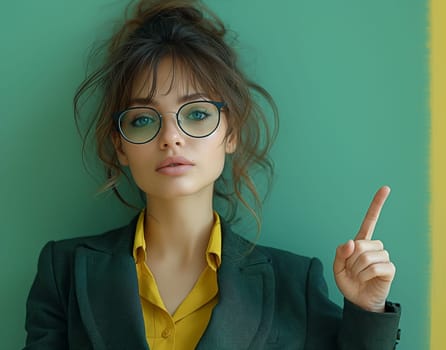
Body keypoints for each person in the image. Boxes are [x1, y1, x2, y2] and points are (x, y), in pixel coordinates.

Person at [23, 0, 401, 349]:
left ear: (231, 132)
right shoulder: (64, 271)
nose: (171, 137)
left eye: (197, 114)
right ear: (120, 146)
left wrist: (368, 311)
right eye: (142, 119)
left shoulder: (294, 282)